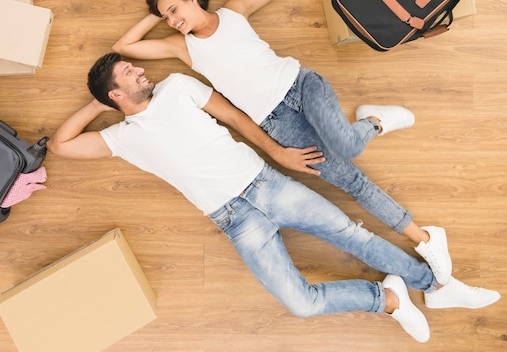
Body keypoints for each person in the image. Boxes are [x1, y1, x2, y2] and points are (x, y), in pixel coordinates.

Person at [47, 53, 500, 344]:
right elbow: (59, 146)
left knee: (352, 236)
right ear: (116, 93)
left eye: (134, 66)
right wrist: (99, 106)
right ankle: (386, 299)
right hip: (235, 220)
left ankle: (436, 286)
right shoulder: (121, 137)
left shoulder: (178, 87)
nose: (140, 70)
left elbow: (237, 119)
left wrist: (279, 152)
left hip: (266, 182)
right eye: (129, 73)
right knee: (300, 304)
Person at [111, 0, 452, 284]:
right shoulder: (182, 48)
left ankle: (374, 123)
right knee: (350, 181)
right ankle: (424, 234)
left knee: (347, 145)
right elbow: (123, 47)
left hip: (302, 85)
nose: (172, 19)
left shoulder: (235, 11)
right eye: (165, 16)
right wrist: (153, 12)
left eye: (174, 9)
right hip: (277, 122)